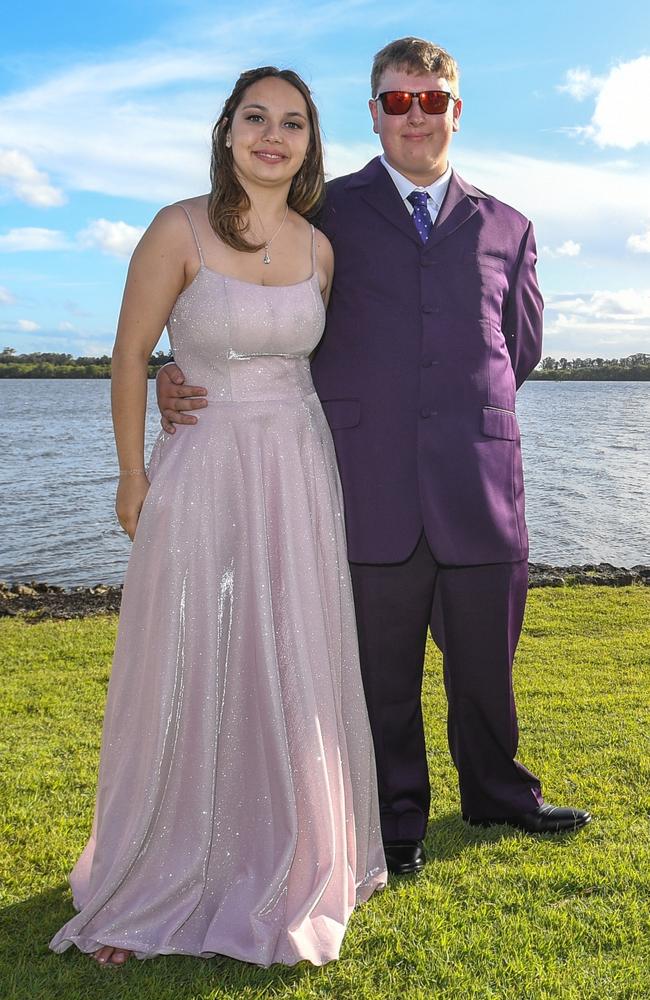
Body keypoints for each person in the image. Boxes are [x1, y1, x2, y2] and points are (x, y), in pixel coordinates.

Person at [157, 38, 591, 879]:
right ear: (374, 112)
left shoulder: (510, 225)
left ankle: (500, 795)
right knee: (378, 677)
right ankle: (394, 822)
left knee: (485, 670)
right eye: (399, 101)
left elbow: (520, 346)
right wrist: (182, 366)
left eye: (432, 100)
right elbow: (249, 303)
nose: (416, 115)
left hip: (480, 481)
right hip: (364, 480)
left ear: (456, 110)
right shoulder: (324, 211)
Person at [49, 67, 387, 969]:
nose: (272, 136)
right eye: (255, 119)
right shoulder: (179, 226)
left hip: (297, 468)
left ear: (311, 144)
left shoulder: (320, 248)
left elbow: (327, 362)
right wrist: (131, 474)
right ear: (228, 131)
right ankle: (153, 867)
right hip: (202, 470)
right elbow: (128, 357)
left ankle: (293, 852)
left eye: (292, 124)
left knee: (291, 651)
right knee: (189, 652)